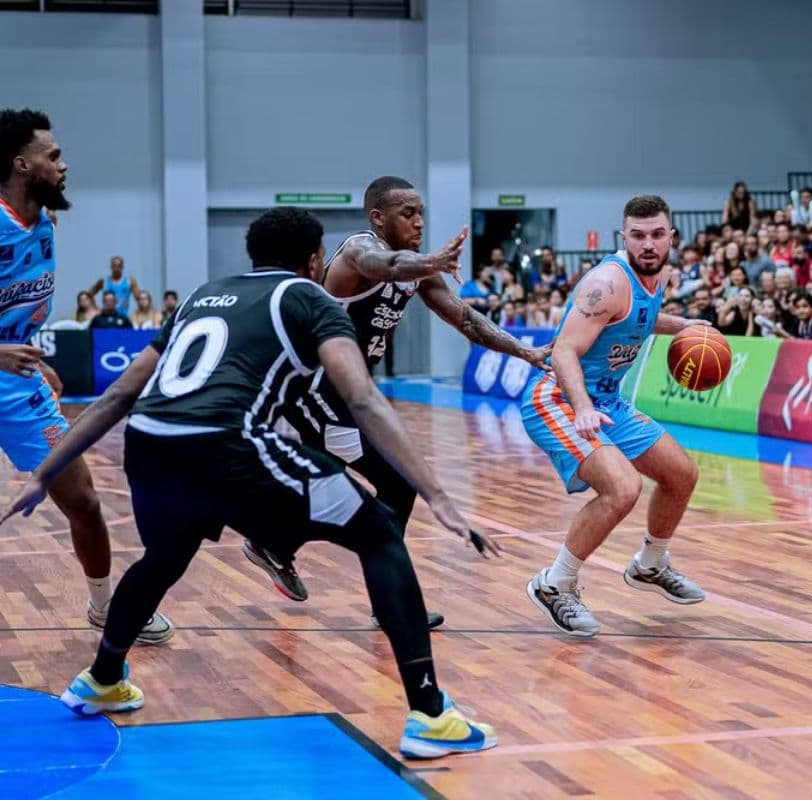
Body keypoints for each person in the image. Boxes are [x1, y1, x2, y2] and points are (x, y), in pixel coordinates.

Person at [1, 207, 500, 760]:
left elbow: (121, 394)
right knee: (381, 532)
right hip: (224, 444)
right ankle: (431, 715)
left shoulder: (202, 294)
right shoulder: (310, 298)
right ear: (315, 260)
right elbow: (361, 398)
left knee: (164, 557)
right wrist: (437, 494)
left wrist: (46, 472)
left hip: (149, 444)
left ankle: (102, 676)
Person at [241, 177, 550, 630]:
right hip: (314, 390)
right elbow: (385, 263)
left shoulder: (419, 269)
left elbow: (465, 318)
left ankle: (275, 542)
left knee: (374, 487)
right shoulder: (358, 252)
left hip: (344, 391)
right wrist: (427, 261)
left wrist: (522, 349)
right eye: (408, 213)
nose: (420, 221)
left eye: (421, 211)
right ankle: (370, 593)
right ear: (378, 218)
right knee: (392, 486)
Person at [0, 108, 171, 644]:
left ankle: (106, 606)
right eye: (53, 157)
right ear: (22, 165)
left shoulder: (46, 222)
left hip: (18, 386)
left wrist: (33, 356)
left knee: (83, 500)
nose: (64, 165)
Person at [521, 195, 705, 637]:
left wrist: (686, 326)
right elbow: (565, 349)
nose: (648, 244)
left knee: (682, 474)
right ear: (623, 237)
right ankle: (554, 584)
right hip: (561, 399)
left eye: (657, 235)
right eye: (638, 235)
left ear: (671, 238)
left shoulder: (655, 275)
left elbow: (639, 318)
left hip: (606, 401)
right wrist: (582, 409)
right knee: (623, 487)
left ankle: (650, 564)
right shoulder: (606, 281)